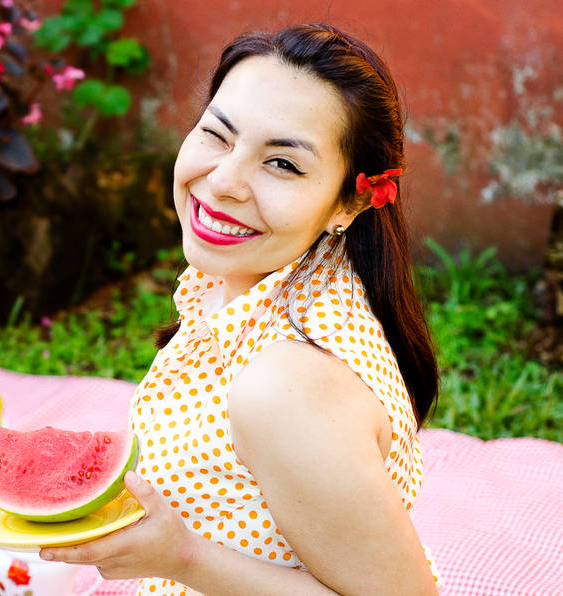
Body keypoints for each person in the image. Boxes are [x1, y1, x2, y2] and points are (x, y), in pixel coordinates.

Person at [39, 23, 442, 595]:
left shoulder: (287, 384)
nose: (224, 181)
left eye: (282, 164)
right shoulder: (257, 280)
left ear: (349, 202)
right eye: (218, 135)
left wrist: (182, 557)